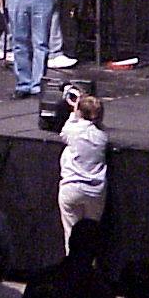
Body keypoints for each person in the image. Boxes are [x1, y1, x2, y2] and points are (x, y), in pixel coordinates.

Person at [58, 94, 108, 252]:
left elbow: (64, 132)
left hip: (72, 188)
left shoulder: (73, 131)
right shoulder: (102, 136)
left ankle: (72, 264)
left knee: (71, 236)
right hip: (95, 192)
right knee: (92, 237)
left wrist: (74, 111)